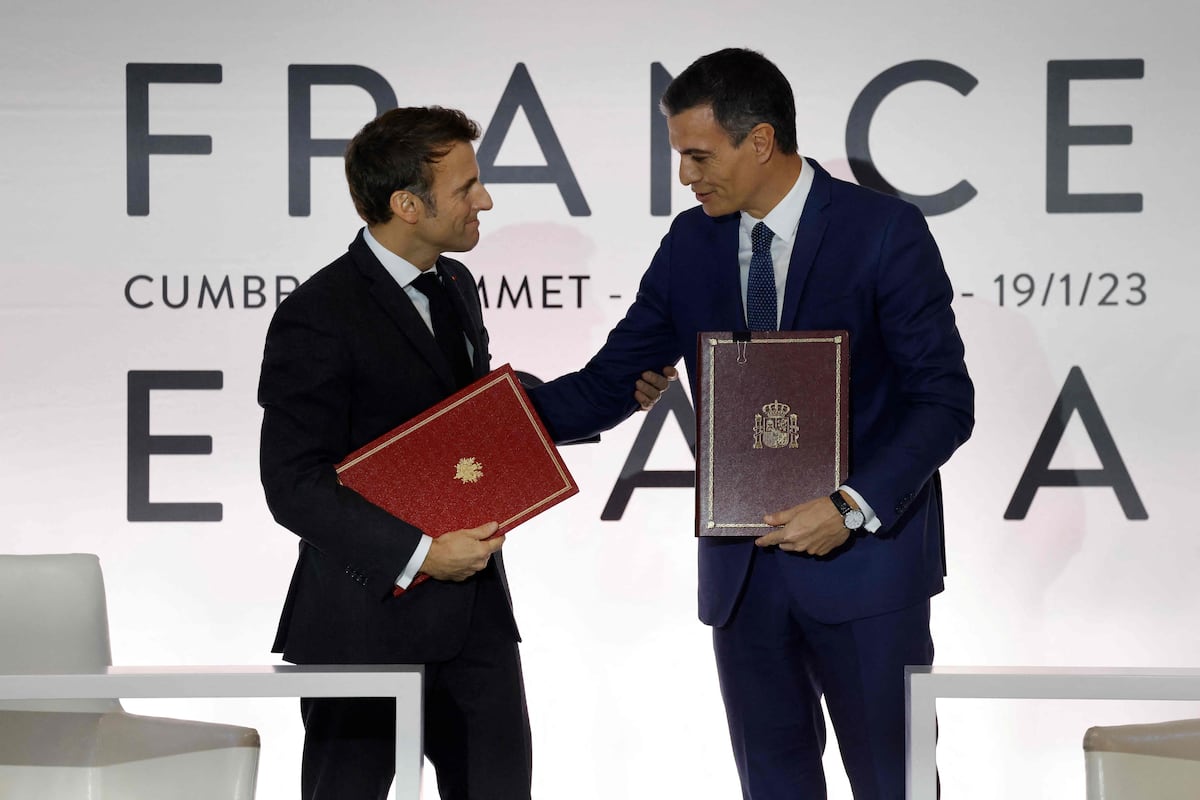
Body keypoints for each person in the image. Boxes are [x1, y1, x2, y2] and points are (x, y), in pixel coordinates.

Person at [526, 48, 974, 799]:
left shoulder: (883, 231)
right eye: (680, 156)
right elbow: (606, 384)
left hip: (868, 569)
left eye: (699, 156)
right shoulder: (690, 242)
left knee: (895, 786)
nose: (685, 176)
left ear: (760, 140)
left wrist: (849, 507)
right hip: (743, 579)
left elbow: (944, 402)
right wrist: (471, 420)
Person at [257, 106, 672, 800]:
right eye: (466, 187)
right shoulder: (318, 313)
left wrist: (619, 394)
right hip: (362, 628)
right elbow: (293, 483)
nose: (485, 200)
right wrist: (422, 552)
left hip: (475, 624)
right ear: (407, 204)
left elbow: (481, 424)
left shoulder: (455, 286)